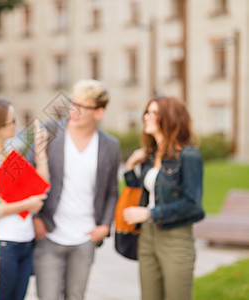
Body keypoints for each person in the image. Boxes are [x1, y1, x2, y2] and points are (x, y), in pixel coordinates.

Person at [27, 79, 121, 300]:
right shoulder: (50, 132)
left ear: (99, 112)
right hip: (49, 233)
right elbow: (27, 176)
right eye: (73, 104)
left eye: (82, 107)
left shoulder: (110, 145)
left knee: (75, 296)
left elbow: (111, 191)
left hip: (86, 237)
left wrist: (105, 226)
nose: (74, 111)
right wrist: (36, 217)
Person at [123, 96, 205, 300]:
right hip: (148, 236)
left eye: (153, 113)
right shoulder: (151, 156)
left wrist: (149, 213)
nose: (146, 117)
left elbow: (193, 205)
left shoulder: (189, 156)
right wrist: (130, 165)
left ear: (170, 118)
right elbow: (139, 190)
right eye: (146, 112)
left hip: (175, 238)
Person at [0, 98, 48, 300]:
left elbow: (39, 186)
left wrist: (40, 151)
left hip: (25, 241)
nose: (16, 124)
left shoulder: (9, 155)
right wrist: (26, 205)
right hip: (4, 243)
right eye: (11, 120)